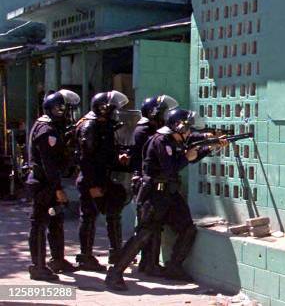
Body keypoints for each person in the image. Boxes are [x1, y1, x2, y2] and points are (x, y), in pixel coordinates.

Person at [105, 108, 228, 290]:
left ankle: (174, 267)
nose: (189, 132)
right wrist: (187, 156)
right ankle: (115, 273)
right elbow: (172, 167)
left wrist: (209, 146)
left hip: (169, 193)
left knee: (187, 228)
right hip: (154, 194)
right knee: (144, 234)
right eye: (187, 128)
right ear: (177, 127)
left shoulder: (175, 139)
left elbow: (190, 153)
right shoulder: (161, 141)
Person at [26, 89, 81, 280]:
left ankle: (57, 259)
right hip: (43, 184)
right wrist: (57, 189)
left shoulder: (51, 127)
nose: (68, 115)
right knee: (39, 223)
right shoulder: (46, 130)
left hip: (48, 182)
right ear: (57, 110)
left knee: (56, 221)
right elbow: (48, 164)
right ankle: (38, 266)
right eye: (66, 110)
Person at [74, 91, 130, 271]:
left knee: (114, 211)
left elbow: (105, 152)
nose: (115, 113)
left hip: (104, 177)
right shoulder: (90, 126)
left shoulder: (104, 125)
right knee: (89, 217)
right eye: (113, 109)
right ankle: (85, 257)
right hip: (92, 180)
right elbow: (86, 158)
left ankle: (116, 252)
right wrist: (92, 186)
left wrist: (118, 158)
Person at [131, 95, 178, 276]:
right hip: (146, 183)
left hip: (148, 182)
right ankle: (147, 263)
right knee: (149, 225)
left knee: (153, 225)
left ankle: (148, 263)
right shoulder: (145, 131)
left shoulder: (151, 130)